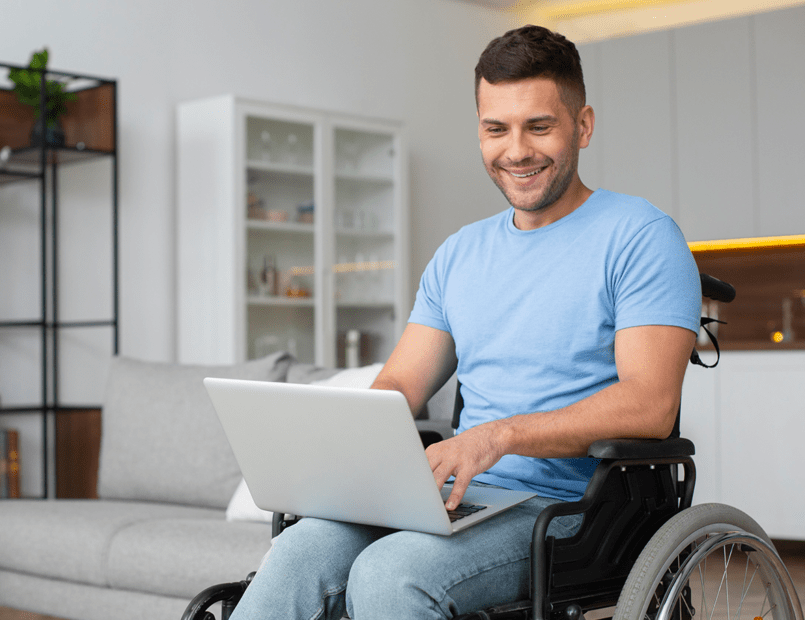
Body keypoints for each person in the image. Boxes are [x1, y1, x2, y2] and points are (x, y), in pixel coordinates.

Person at [229, 24, 702, 620]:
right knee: (297, 552)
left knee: (390, 575)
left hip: (573, 510)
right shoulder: (460, 254)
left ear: (582, 125)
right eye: (496, 128)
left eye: (540, 126)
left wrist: (496, 436)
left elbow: (649, 404)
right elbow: (400, 386)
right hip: (454, 499)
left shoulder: (640, 237)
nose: (516, 150)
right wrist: (344, 452)